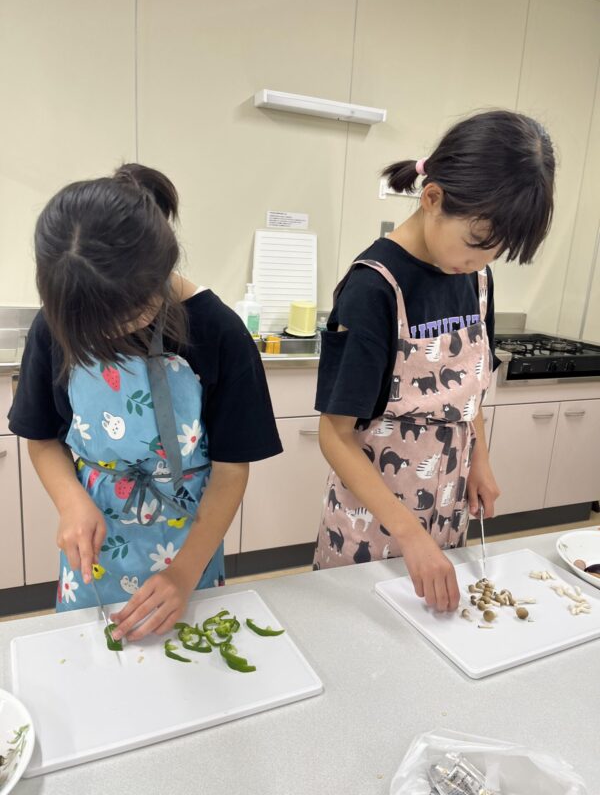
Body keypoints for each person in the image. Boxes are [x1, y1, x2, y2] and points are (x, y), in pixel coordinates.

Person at [8, 163, 282, 641]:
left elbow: (232, 468)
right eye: (88, 329)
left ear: (159, 276)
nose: (104, 335)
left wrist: (182, 573)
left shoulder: (219, 333)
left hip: (190, 541)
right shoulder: (54, 324)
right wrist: (71, 503)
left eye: (121, 319)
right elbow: (40, 438)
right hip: (95, 544)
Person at [313, 110, 555, 612]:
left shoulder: (475, 277)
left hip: (448, 509)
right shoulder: (373, 288)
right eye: (475, 243)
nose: (480, 262)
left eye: (496, 250)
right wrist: (409, 535)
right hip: (374, 522)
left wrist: (480, 461)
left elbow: (469, 390)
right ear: (432, 198)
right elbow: (334, 436)